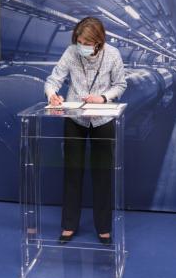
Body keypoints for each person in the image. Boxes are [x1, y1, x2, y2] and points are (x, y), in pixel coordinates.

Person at [44, 17, 127, 245]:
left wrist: (103, 98)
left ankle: (103, 228)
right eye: (79, 41)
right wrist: (52, 94)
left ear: (99, 42)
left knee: (102, 175)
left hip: (103, 120)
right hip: (75, 120)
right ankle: (69, 225)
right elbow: (53, 80)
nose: (82, 45)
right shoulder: (71, 53)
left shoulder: (112, 55)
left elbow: (121, 85)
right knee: (73, 172)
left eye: (86, 42)